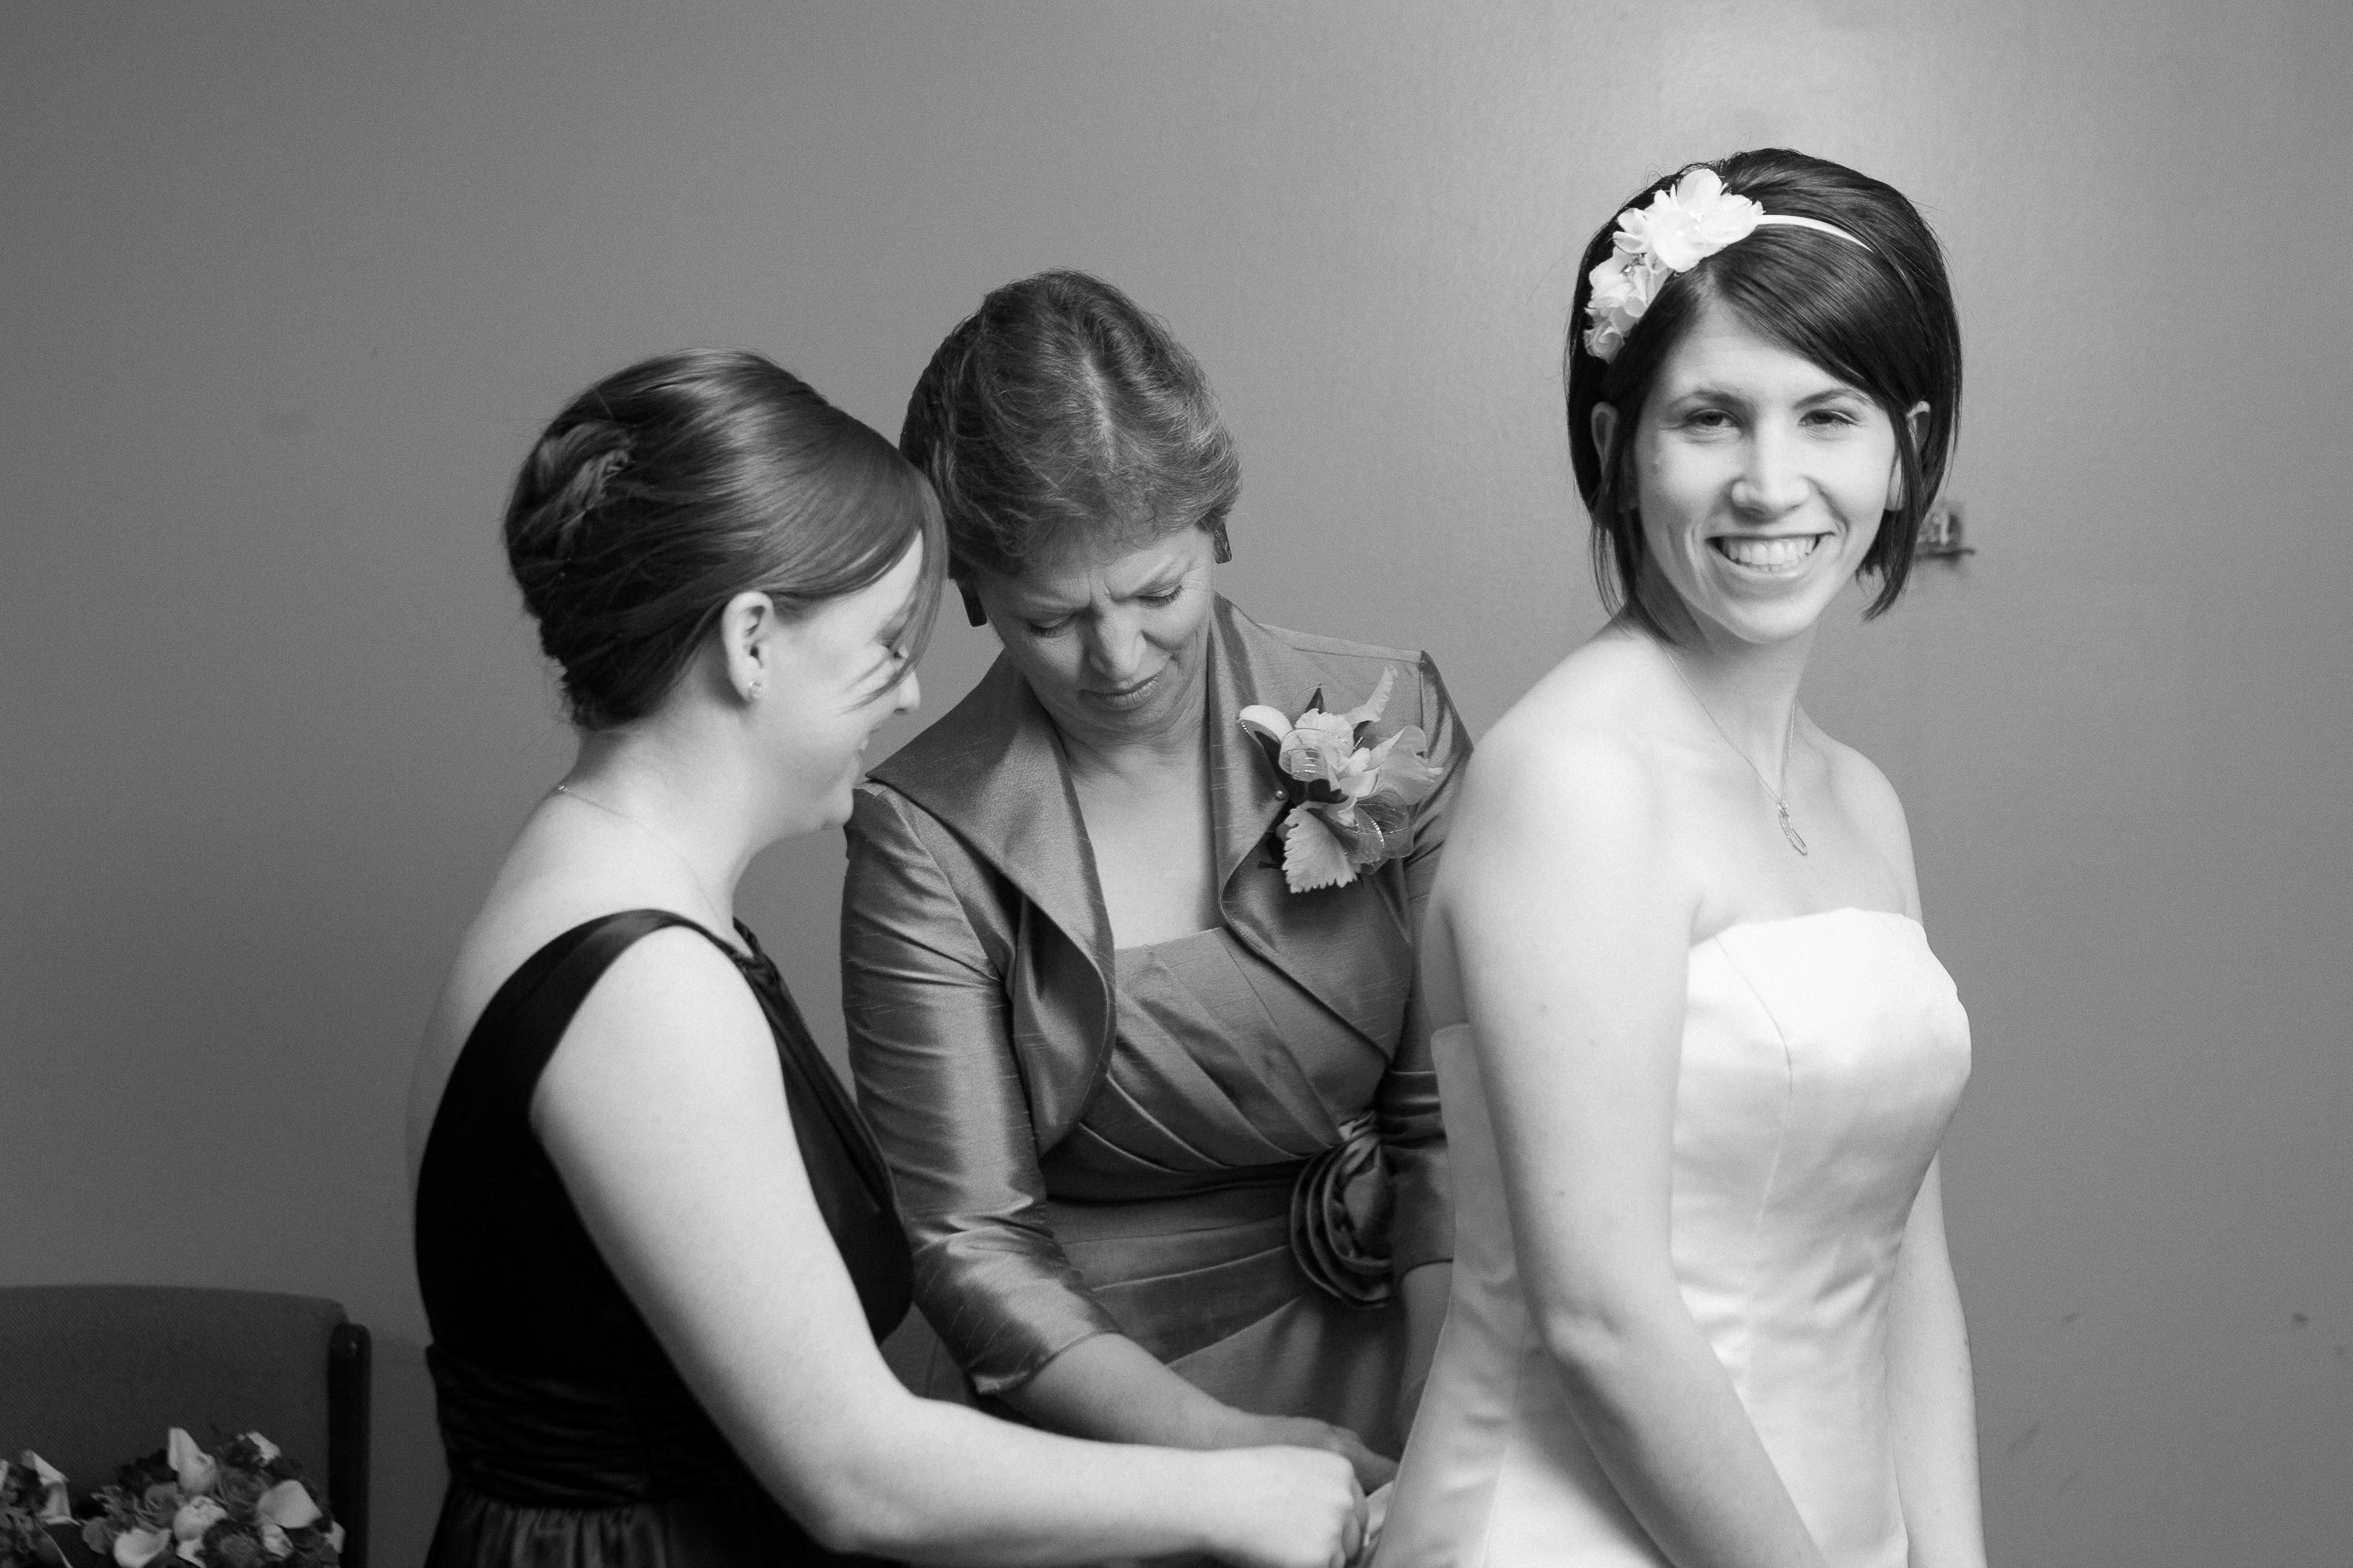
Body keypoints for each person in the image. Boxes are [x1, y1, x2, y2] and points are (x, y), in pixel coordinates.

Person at [406, 348, 1364, 1568]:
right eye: (878, 643)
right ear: (752, 639)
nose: (911, 695)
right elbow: (858, 1475)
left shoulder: (593, 896)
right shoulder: (644, 986)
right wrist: (1240, 1498)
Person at [1376, 151, 1986, 1568]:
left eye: (1826, 417)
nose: (1773, 485)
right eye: (1711, 418)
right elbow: (1600, 1320)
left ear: (1901, 449)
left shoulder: (1865, 806)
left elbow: (1906, 1271)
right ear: (1614, 443)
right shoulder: (1575, 784)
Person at [840, 271, 1469, 1499]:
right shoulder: (921, 833)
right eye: (1049, 619)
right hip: (1104, 1422)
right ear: (971, 596)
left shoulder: (1391, 718)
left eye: (1156, 594)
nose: (1117, 657)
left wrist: (1439, 1437)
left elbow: (1453, 1132)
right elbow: (970, 1245)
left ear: (1217, 528)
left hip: (1415, 1352)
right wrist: (1233, 1464)